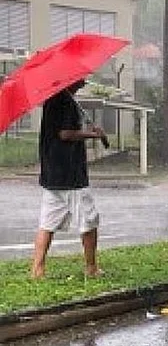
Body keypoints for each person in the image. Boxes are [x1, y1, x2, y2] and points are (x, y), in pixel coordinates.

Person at [31, 79, 107, 279]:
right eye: (81, 77)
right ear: (70, 78)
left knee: (47, 223)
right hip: (70, 175)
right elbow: (64, 134)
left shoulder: (54, 100)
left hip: (52, 175)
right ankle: (91, 267)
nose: (85, 80)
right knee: (89, 220)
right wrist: (91, 134)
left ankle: (37, 269)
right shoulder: (64, 101)